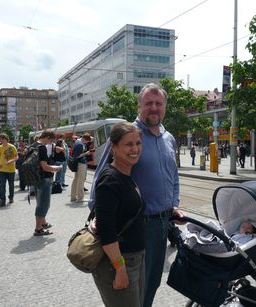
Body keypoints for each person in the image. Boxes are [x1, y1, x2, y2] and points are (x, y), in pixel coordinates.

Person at [88, 83, 184, 307]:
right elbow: (101, 182)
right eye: (148, 103)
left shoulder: (168, 138)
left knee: (151, 284)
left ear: (165, 107)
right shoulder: (130, 135)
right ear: (139, 106)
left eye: (158, 103)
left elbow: (173, 175)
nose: (153, 108)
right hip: (137, 227)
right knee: (133, 289)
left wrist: (173, 204)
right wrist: (100, 218)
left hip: (163, 224)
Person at [90, 122, 146, 307]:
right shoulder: (110, 180)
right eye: (128, 144)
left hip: (135, 258)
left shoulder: (125, 174)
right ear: (113, 147)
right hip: (120, 262)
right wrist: (120, 267)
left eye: (137, 143)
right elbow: (106, 231)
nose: (135, 149)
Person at [33, 130, 62, 236]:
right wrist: (56, 169)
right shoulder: (42, 148)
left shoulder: (33, 145)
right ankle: (38, 228)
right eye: (51, 141)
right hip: (44, 178)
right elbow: (45, 167)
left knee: (39, 202)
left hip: (35, 178)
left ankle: (42, 223)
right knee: (44, 204)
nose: (50, 143)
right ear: (47, 137)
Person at [0, 133, 18, 208]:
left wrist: (11, 161)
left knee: (11, 185)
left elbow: (16, 157)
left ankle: (11, 197)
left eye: (2, 139)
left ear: (6, 139)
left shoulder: (12, 147)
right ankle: (2, 200)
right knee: (2, 186)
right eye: (0, 139)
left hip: (11, 170)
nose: (1, 140)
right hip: (2, 169)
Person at [70, 133, 93, 202]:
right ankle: (80, 198)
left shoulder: (77, 141)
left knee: (76, 180)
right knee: (81, 181)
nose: (87, 143)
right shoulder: (80, 144)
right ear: (85, 139)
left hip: (77, 163)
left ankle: (73, 197)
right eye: (87, 141)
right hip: (81, 164)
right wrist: (86, 153)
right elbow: (77, 156)